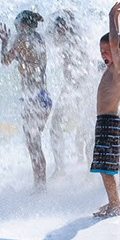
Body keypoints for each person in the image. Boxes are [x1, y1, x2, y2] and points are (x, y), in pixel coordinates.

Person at [0, 10, 52, 189]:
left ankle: (40, 187)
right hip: (43, 97)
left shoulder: (22, 38)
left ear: (22, 25)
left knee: (33, 145)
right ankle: (41, 184)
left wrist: (4, 42)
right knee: (36, 143)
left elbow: (5, 60)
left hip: (32, 98)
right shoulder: (39, 39)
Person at [91, 1, 120, 218]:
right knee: (104, 167)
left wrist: (111, 17)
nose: (104, 54)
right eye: (101, 51)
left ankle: (116, 205)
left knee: (106, 169)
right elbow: (115, 42)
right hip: (104, 122)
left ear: (118, 52)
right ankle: (113, 202)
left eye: (107, 51)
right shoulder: (111, 69)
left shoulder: (119, 69)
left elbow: (115, 42)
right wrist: (115, 19)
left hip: (109, 122)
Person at [47, 10, 91, 176]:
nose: (56, 34)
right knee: (57, 127)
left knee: (84, 130)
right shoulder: (69, 40)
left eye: (58, 28)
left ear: (64, 28)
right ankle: (61, 169)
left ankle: (87, 171)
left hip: (82, 88)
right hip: (72, 88)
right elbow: (48, 37)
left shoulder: (75, 42)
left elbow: (84, 70)